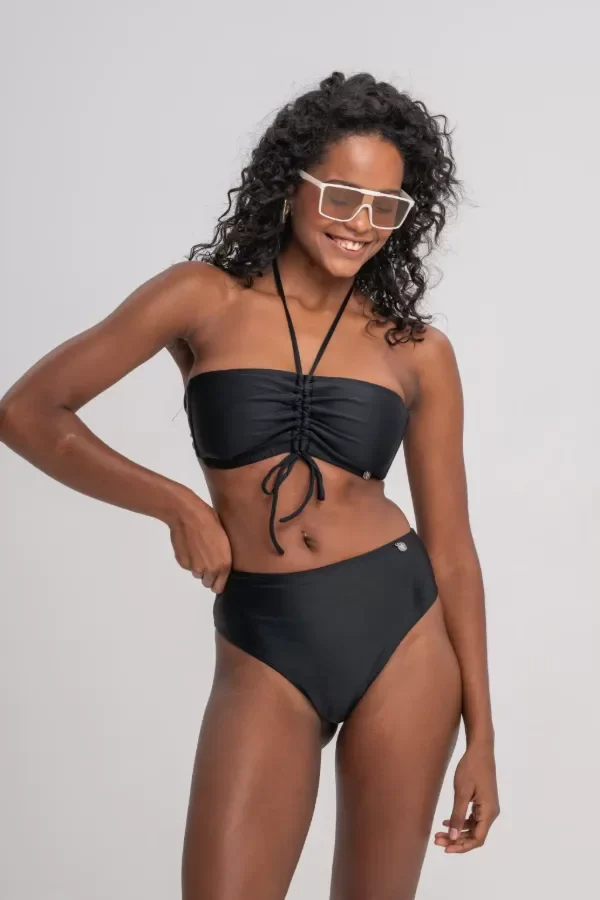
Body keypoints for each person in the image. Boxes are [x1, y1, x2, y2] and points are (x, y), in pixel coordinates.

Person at [0, 71, 499, 899]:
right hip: (265, 635)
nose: (361, 223)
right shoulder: (201, 298)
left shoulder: (416, 351)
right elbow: (27, 412)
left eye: (386, 207)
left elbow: (453, 552)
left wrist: (483, 736)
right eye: (341, 194)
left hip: (404, 635)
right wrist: (176, 504)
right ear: (291, 183)